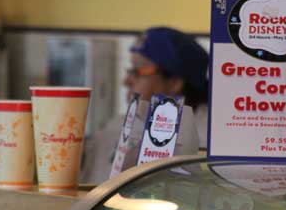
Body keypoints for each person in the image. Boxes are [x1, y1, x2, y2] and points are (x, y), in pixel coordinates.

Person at [81, 27, 209, 184]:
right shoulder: (116, 126)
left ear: (174, 82)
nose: (126, 81)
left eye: (139, 71)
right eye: (130, 70)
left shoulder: (203, 143)